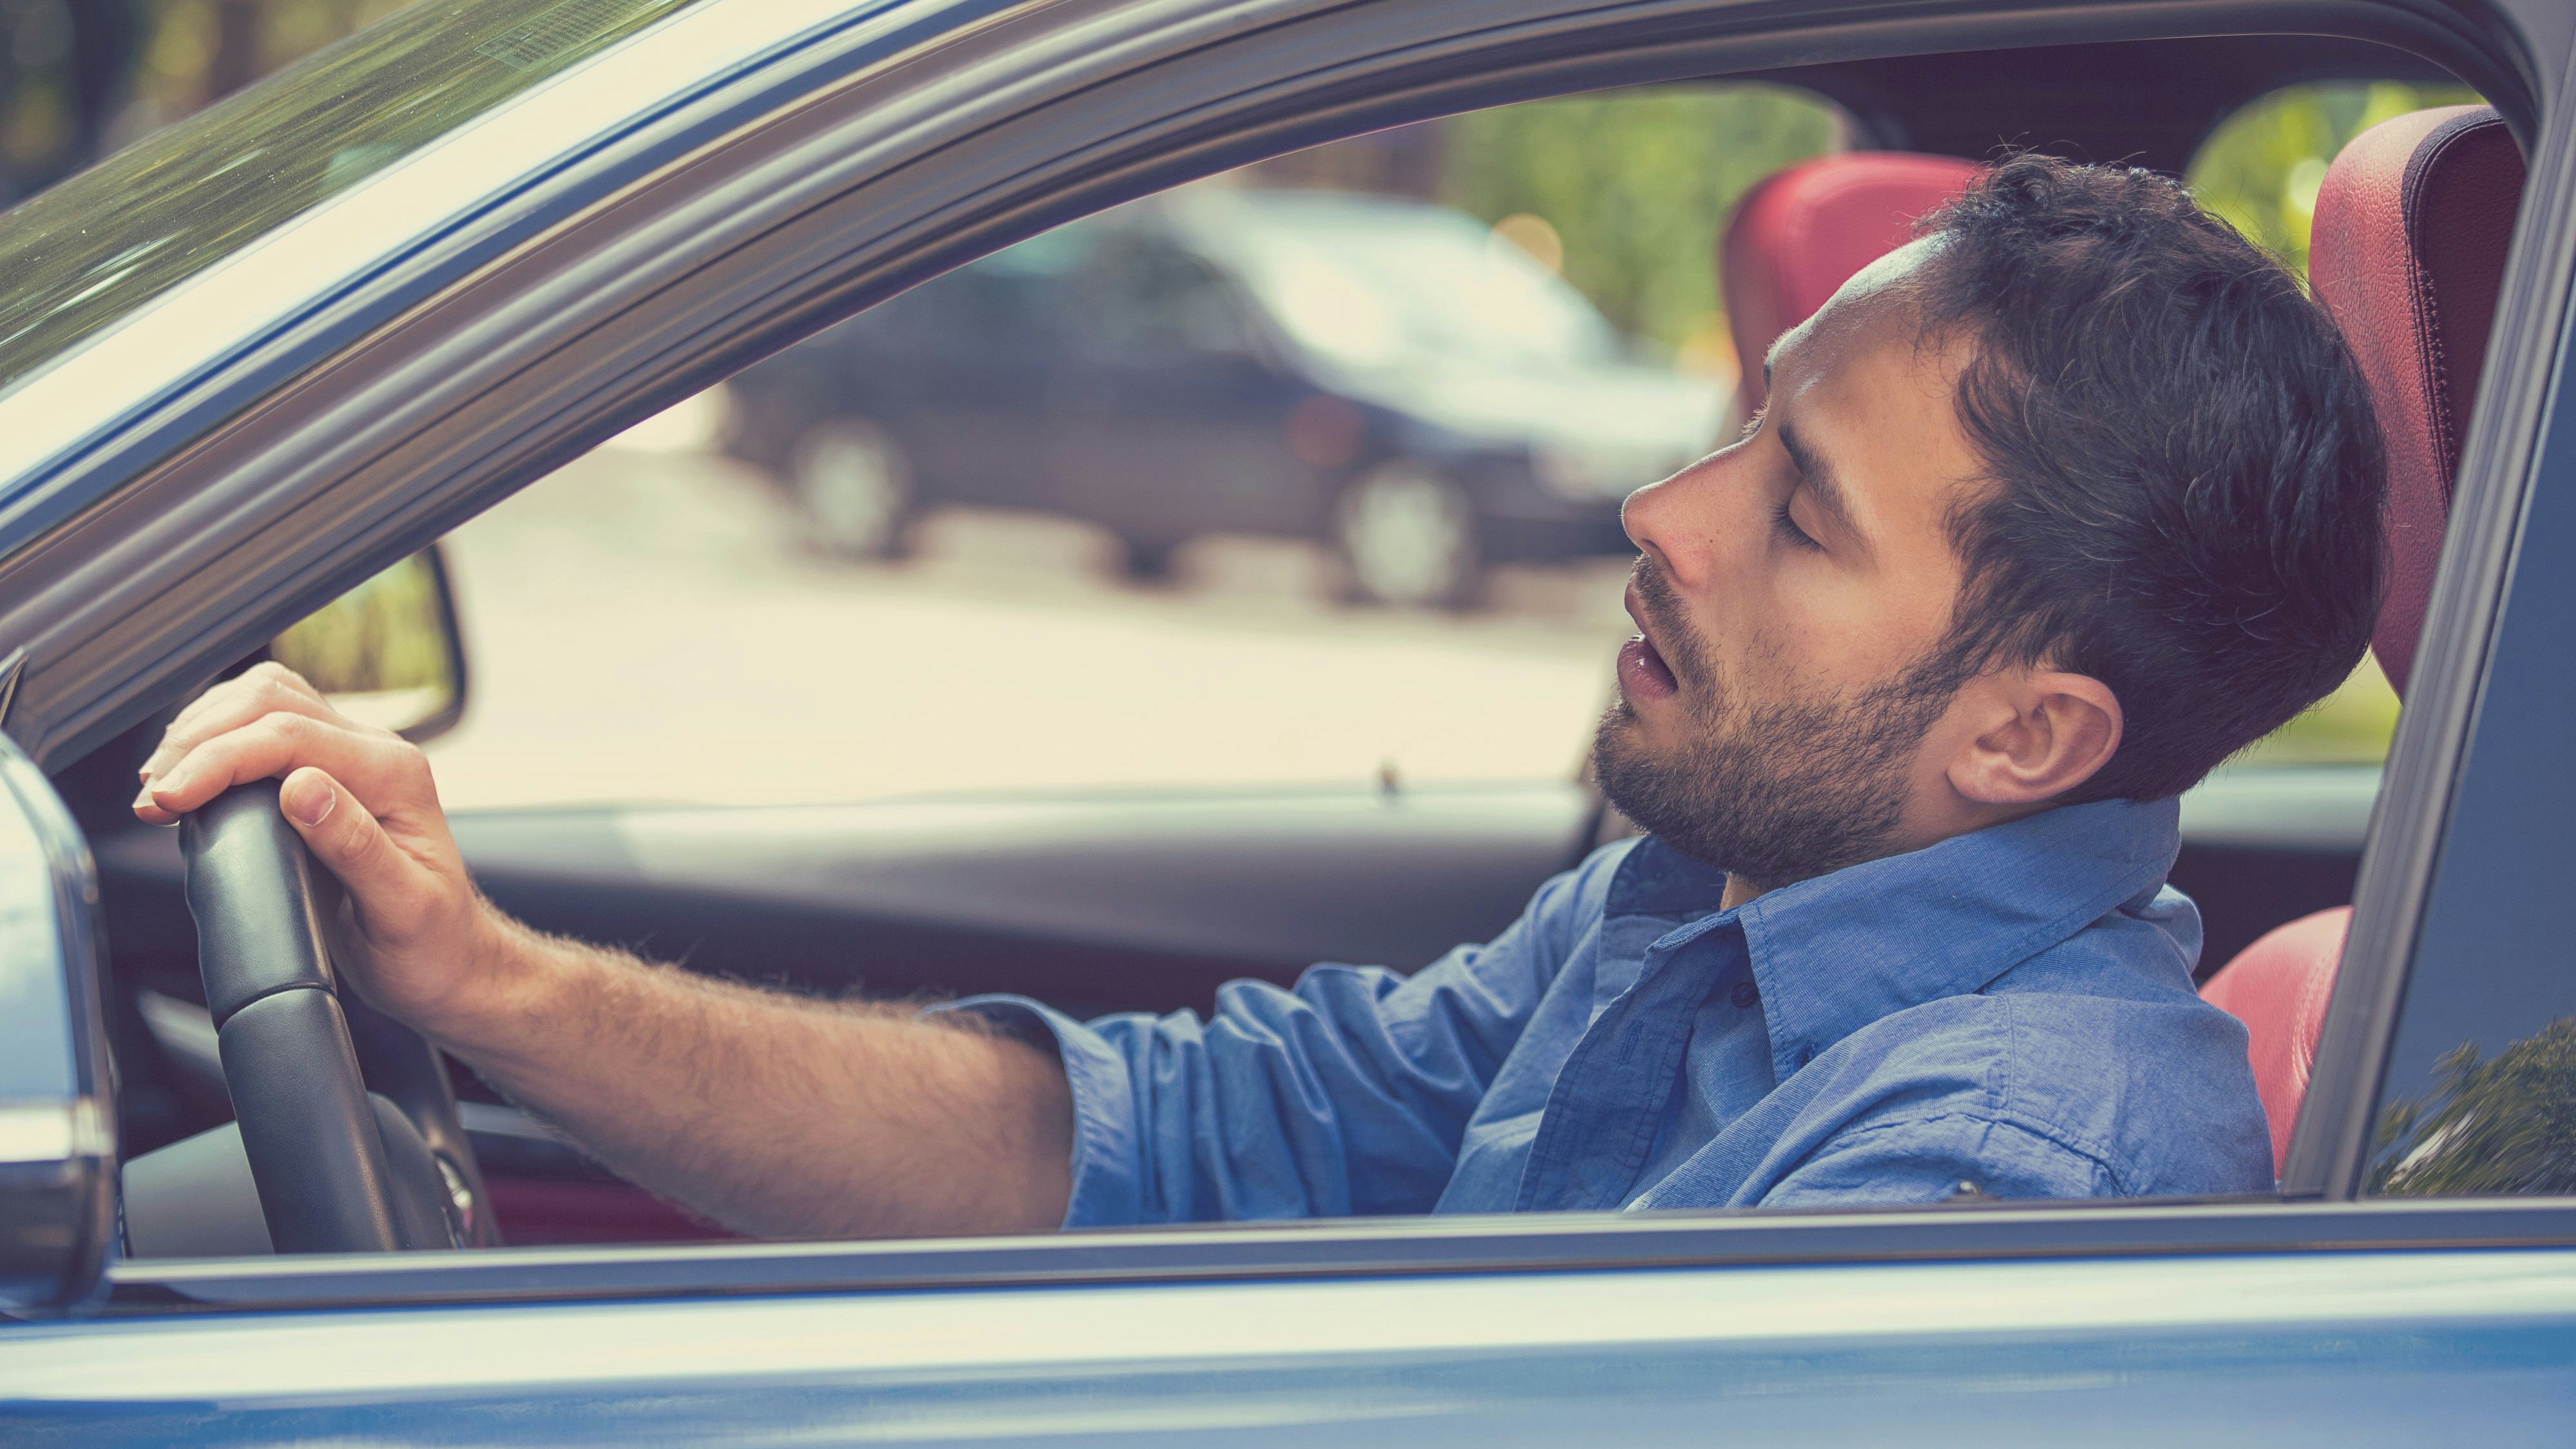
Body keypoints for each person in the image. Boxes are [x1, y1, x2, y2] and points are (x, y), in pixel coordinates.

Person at [134, 155, 2385, 1238]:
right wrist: (499, 985)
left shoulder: (1983, 1196)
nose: (1663, 508)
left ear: (2025, 737)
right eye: (1740, 423)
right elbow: (1147, 1145)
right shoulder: (1703, 901)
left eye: (1798, 513)